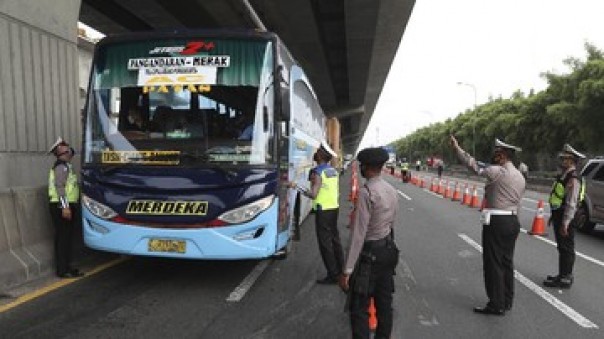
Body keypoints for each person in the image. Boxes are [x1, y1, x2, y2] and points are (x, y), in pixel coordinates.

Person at [450, 136, 525, 315]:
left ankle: (496, 304)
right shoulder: (520, 176)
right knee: (507, 263)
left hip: (497, 221)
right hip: (512, 221)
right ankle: (506, 300)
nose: (494, 156)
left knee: (494, 263)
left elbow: (473, 164)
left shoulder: (497, 172)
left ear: (504, 156)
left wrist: (457, 148)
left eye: (497, 153)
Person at [339, 147, 400, 339]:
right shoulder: (391, 190)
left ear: (366, 167)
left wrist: (347, 271)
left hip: (370, 256)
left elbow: (358, 234)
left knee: (359, 307)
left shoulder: (367, 193)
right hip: (388, 251)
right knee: (384, 304)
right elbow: (391, 224)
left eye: (362, 166)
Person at [290, 142, 344, 284]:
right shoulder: (332, 170)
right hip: (334, 209)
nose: (315, 152)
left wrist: (296, 186)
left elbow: (313, 194)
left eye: (317, 151)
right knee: (335, 240)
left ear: (320, 155)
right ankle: (341, 269)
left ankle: (333, 275)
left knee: (325, 244)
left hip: (323, 211)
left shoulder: (317, 172)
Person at [543, 144, 586, 289]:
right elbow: (558, 197)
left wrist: (565, 223)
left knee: (566, 248)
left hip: (565, 217)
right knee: (562, 247)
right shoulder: (565, 175)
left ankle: (565, 277)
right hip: (559, 214)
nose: (562, 160)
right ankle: (562, 274)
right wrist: (553, 216)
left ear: (572, 160)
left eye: (565, 158)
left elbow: (571, 203)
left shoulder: (573, 178)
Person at [47, 137, 84, 278]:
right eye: (65, 147)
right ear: (60, 151)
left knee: (67, 238)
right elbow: (60, 188)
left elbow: (73, 152)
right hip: (61, 207)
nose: (68, 148)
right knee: (63, 239)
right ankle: (62, 270)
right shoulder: (61, 167)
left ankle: (67, 267)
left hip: (66, 206)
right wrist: (65, 207)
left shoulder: (66, 165)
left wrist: (66, 148)